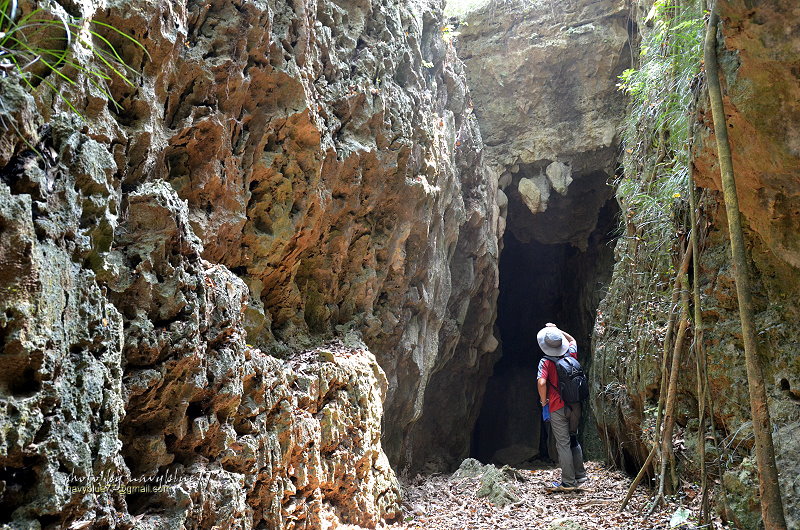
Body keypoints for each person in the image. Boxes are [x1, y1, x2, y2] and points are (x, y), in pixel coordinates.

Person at [537, 322, 587, 491]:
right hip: (575, 406)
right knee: (573, 439)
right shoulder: (571, 353)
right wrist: (557, 329)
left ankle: (568, 482)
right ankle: (580, 475)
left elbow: (542, 382)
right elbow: (572, 339)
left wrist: (544, 401)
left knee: (563, 444)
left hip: (557, 407)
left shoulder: (545, 362)